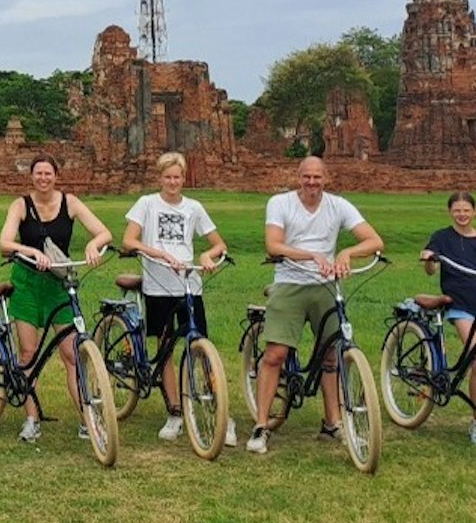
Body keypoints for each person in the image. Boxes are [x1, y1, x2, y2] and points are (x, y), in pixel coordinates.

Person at [247, 156, 383, 455]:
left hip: (326, 285)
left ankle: (332, 421)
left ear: (326, 178)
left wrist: (347, 252)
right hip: (290, 282)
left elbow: (374, 241)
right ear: (298, 178)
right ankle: (261, 423)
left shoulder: (338, 205)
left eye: (317, 177)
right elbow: (273, 244)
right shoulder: (280, 203)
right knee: (275, 354)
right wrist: (311, 256)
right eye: (307, 177)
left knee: (332, 355)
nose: (312, 183)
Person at [122, 151, 234, 446]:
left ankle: (218, 407)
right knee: (166, 348)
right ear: (160, 178)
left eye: (178, 177)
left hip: (189, 284)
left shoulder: (194, 207)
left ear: (184, 178)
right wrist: (158, 253)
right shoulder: (147, 204)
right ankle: (174, 410)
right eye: (168, 177)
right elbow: (129, 240)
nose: (173, 182)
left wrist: (208, 256)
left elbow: (219, 244)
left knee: (200, 344)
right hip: (158, 285)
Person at [0, 154, 111, 443]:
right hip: (27, 283)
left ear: (56, 176)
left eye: (48, 173)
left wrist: (93, 245)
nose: (43, 178)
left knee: (72, 354)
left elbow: (104, 233)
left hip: (59, 284)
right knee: (28, 354)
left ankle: (87, 419)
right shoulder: (21, 204)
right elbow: (4, 244)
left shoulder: (70, 202)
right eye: (38, 173)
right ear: (32, 176)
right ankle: (31, 418)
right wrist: (32, 252)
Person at [420, 190, 476, 443]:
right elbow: (430, 270)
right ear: (450, 212)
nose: (462, 214)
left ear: (473, 212)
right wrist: (429, 259)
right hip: (460, 305)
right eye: (457, 210)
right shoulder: (442, 238)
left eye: (466, 210)